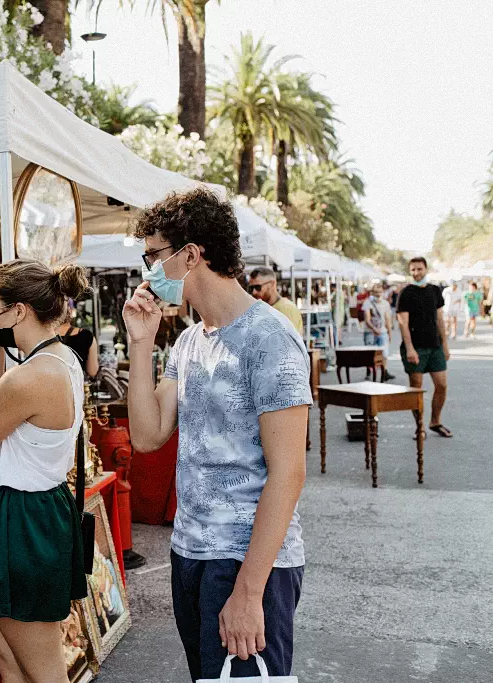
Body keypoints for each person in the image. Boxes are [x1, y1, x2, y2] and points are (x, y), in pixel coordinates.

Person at [125, 189, 310, 681]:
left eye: (153, 255)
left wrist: (250, 591)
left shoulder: (271, 339)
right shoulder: (187, 341)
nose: (148, 270)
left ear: (190, 254)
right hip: (191, 553)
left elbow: (288, 473)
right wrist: (141, 344)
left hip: (249, 562)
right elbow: (147, 436)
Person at [0, 259, 89, 683]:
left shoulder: (32, 377)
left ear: (19, 311)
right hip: (25, 512)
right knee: (6, 656)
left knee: (44, 672)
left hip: (23, 518)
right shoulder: (61, 359)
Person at [398, 257, 452, 438]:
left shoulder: (435, 291)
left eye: (419, 269)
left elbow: (439, 319)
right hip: (416, 348)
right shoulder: (406, 293)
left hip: (434, 346)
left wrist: (445, 345)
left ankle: (435, 421)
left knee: (442, 385)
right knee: (417, 388)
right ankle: (419, 426)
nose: (416, 273)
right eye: (413, 270)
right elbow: (403, 323)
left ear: (426, 269)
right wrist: (410, 349)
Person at [247, 267, 303, 335]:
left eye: (258, 287)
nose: (254, 292)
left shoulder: (286, 308)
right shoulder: (266, 307)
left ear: (272, 284)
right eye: (251, 288)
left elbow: (290, 343)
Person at [360, 282, 395, 381]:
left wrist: (389, 333)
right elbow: (367, 319)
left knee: (384, 353)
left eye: (380, 292)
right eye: (375, 292)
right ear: (372, 293)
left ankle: (384, 372)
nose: (378, 294)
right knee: (370, 354)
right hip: (370, 332)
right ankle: (369, 369)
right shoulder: (367, 303)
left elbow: (388, 319)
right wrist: (374, 329)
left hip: (383, 332)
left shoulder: (385, 303)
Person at [57, 306, 99, 377]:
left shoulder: (43, 334)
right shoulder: (86, 336)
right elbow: (92, 371)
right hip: (74, 386)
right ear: (71, 312)